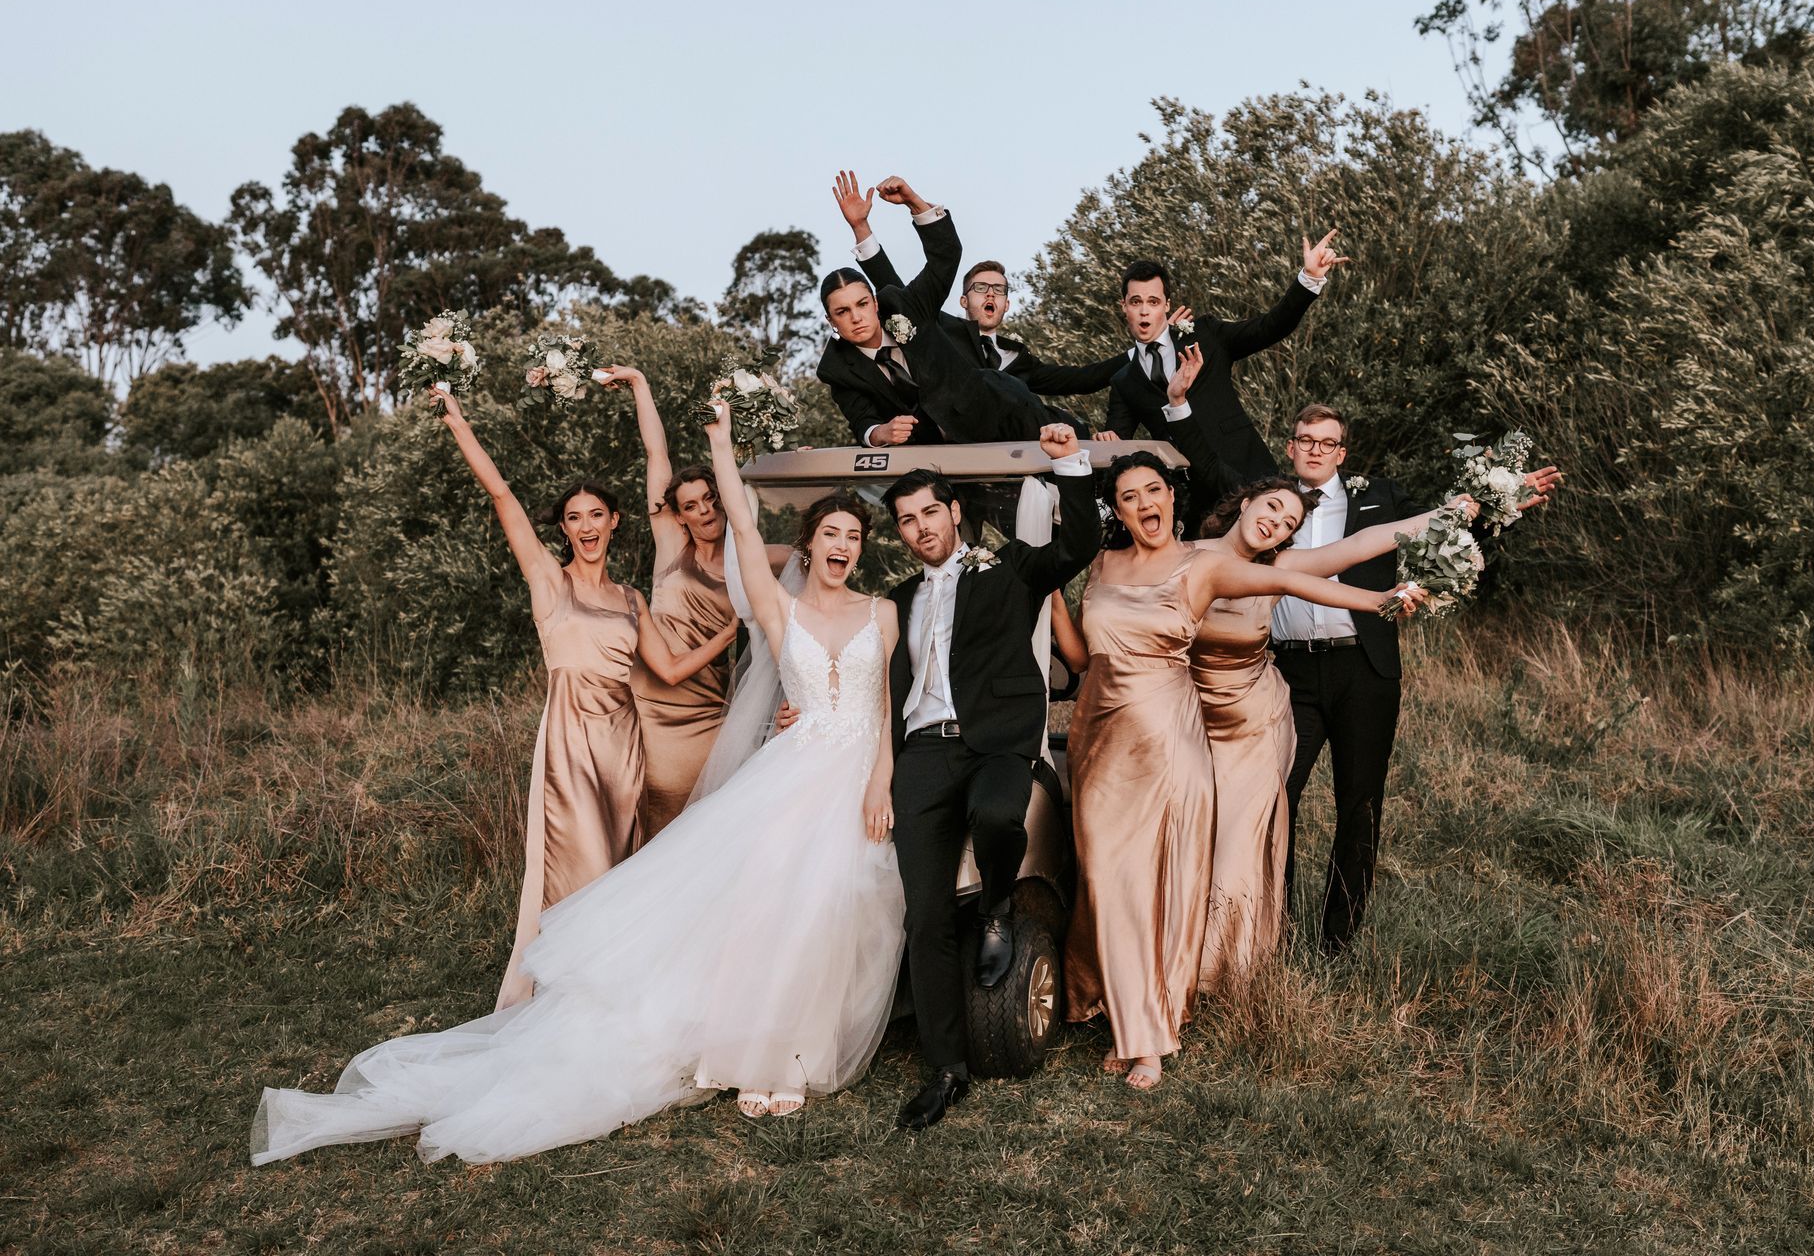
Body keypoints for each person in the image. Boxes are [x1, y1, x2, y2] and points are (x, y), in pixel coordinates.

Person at [249, 400, 906, 1166]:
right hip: (644, 755)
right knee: (706, 897)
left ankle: (780, 1043)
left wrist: (860, 763)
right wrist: (721, 443)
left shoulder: (869, 613)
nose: (842, 545)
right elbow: (717, 512)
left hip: (756, 760)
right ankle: (639, 1027)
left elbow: (868, 707)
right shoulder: (728, 598)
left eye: (854, 536)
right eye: (831, 533)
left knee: (810, 902)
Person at [1058, 449, 1426, 1092]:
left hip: (1207, 727)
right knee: (1106, 872)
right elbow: (1083, 656)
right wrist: (1038, 590)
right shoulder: (1112, 563)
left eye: (1154, 491)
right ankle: (1116, 998)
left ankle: (1173, 1008)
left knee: (1195, 862)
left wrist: (1384, 596)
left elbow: (1319, 573)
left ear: (1172, 496)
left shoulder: (1222, 567)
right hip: (1118, 730)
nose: (1144, 503)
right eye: (1128, 496)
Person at [428, 388, 737, 1010]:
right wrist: (460, 425)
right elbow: (503, 497)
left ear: (614, 521)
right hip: (570, 742)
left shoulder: (631, 598)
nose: (587, 526)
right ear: (565, 528)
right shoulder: (549, 581)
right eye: (574, 518)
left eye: (597, 515)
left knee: (622, 866)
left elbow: (671, 669)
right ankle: (561, 999)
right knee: (582, 866)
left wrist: (733, 628)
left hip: (625, 744)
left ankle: (613, 997)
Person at [1273, 402, 1561, 953]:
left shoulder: (1378, 496)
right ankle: (1273, 931)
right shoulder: (1269, 505)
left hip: (1364, 668)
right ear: (1290, 447)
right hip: (1289, 672)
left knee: (1360, 803)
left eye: (1326, 442)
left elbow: (1445, 521)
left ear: (1341, 453)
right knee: (1276, 797)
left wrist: (1502, 501)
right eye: (1304, 439)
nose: (1314, 449)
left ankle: (1337, 941)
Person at [879, 422, 1101, 1130]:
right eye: (907, 520)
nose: (921, 528)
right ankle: (947, 1069)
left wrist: (1071, 466)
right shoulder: (896, 600)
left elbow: (1080, 544)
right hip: (921, 754)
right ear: (900, 533)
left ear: (954, 513)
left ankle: (999, 905)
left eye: (930, 513)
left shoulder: (1008, 569)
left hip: (999, 746)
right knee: (926, 917)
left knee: (1001, 815)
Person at [596, 365, 790, 836]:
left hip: (708, 707)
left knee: (701, 820)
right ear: (678, 516)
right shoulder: (671, 545)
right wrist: (640, 383)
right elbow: (655, 452)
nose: (704, 510)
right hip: (652, 701)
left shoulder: (753, 557)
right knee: (648, 811)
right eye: (691, 505)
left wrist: (794, 474)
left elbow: (814, 553)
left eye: (710, 498)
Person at [832, 170, 1129, 431]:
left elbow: (1082, 379)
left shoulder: (1019, 359)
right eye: (981, 287)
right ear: (962, 300)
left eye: (999, 290)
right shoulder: (938, 329)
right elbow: (891, 286)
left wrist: (1143, 349)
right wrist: (861, 227)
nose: (990, 294)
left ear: (1007, 305)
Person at [1094, 233, 1347, 523]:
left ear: (1166, 305)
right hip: (1194, 504)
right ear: (1124, 306)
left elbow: (1269, 327)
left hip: (1250, 475)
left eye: (1153, 301)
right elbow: (1118, 446)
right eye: (1135, 301)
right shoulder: (1123, 381)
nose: (1143, 311)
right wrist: (1107, 442)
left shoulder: (1206, 335)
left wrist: (1309, 279)